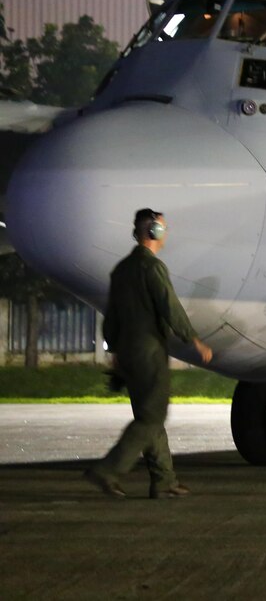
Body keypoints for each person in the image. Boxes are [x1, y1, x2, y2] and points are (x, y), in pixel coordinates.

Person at [83, 209, 213, 499]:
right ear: (153, 231)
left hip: (128, 353)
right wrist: (194, 340)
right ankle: (108, 469)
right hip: (149, 353)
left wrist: (115, 350)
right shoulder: (152, 268)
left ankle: (164, 480)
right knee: (152, 417)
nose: (165, 233)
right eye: (163, 228)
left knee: (148, 415)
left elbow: (111, 316)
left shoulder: (121, 269)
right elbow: (170, 307)